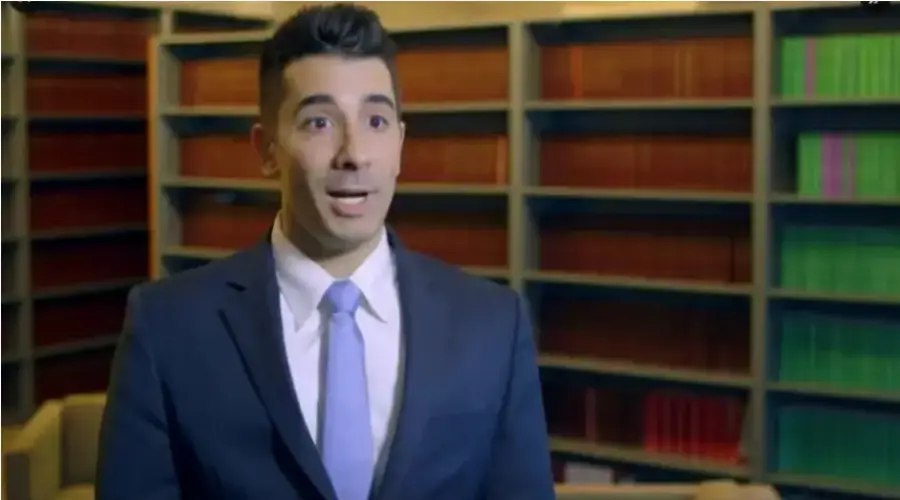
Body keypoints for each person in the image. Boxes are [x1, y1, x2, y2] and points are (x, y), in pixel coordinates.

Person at [95, 3, 555, 500]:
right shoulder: (167, 327)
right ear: (266, 149)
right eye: (319, 122)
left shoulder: (492, 324)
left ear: (400, 144)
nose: (354, 154)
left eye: (376, 121)